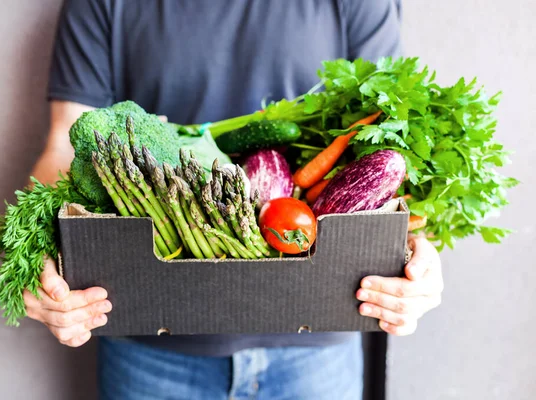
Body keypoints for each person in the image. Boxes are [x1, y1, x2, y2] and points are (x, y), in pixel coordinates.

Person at [25, 1, 443, 398]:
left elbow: (387, 145)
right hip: (150, 340)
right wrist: (37, 253)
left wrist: (413, 254)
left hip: (319, 341)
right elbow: (67, 143)